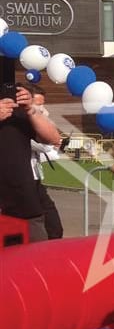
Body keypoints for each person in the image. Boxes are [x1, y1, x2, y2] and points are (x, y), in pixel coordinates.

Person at [0, 69, 63, 243]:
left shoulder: (17, 108)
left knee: (39, 250)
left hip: (22, 202)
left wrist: (31, 109)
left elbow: (53, 138)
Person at [28, 86, 64, 240]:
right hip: (22, 184)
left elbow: (45, 150)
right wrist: (54, 145)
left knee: (54, 226)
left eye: (43, 104)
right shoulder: (21, 127)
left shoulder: (39, 121)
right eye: (39, 104)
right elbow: (43, 145)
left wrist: (56, 148)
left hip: (36, 182)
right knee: (37, 229)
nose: (43, 110)